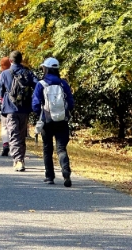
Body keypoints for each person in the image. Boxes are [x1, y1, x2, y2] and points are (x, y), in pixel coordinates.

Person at [32, 57, 75, 187]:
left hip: (47, 121)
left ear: (46, 69)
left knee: (47, 149)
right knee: (61, 148)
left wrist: (39, 114)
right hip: (62, 120)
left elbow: (34, 104)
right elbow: (71, 103)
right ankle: (65, 170)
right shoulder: (63, 84)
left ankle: (49, 176)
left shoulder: (41, 84)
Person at [0, 50, 36, 172]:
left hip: (10, 108)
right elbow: (37, 84)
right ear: (21, 60)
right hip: (24, 108)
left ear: (10, 60)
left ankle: (18, 160)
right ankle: (21, 159)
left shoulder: (5, 74)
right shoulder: (27, 72)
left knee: (13, 134)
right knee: (22, 134)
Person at [0, 56, 12, 156]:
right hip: (16, 104)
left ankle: (5, 144)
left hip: (4, 104)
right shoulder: (14, 74)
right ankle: (14, 144)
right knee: (14, 126)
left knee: (4, 126)